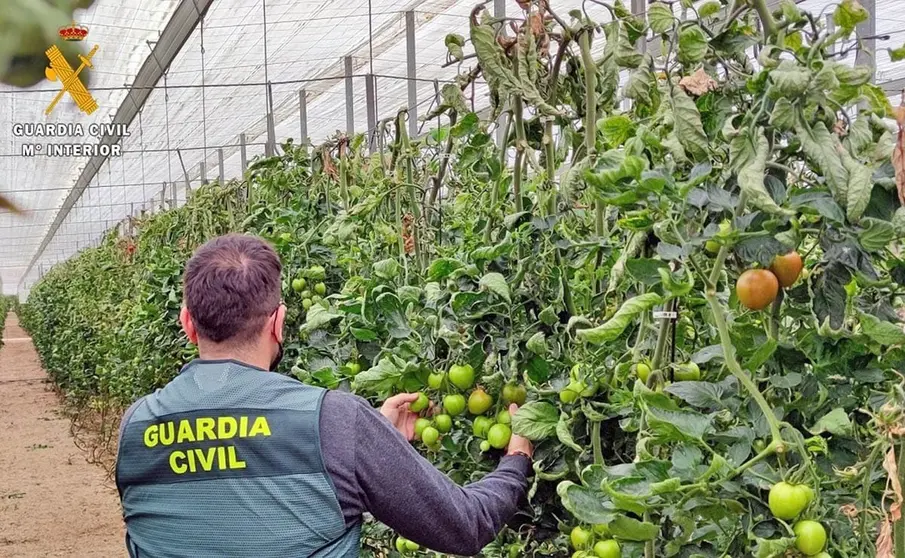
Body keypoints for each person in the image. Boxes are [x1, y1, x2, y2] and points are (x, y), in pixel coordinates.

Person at [115, 234, 533, 558]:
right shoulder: (335, 422)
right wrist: (516, 459)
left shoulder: (134, 428)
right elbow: (465, 526)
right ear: (278, 323)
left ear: (187, 324)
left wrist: (371, 441)